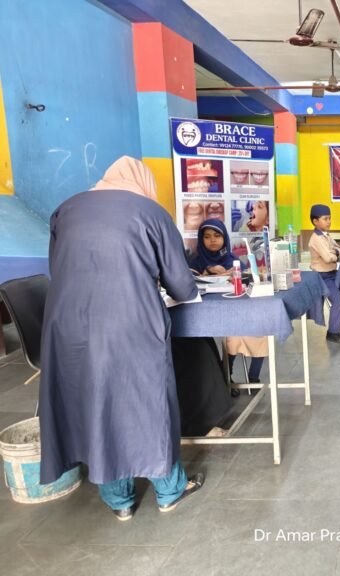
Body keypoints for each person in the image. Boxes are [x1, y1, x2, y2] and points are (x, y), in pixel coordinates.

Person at [40, 156, 205, 521]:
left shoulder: (64, 211)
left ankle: (119, 502)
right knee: (146, 399)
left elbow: (59, 268)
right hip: (130, 322)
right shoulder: (149, 212)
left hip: (69, 326)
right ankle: (169, 491)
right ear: (143, 183)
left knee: (94, 401)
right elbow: (181, 285)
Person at [187, 219, 267, 386]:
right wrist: (207, 273)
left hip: (233, 312)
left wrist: (233, 274)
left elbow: (246, 283)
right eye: (207, 237)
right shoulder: (195, 261)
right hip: (203, 314)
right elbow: (188, 283)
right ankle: (225, 379)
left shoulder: (232, 260)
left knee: (258, 331)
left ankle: (251, 377)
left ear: (225, 238)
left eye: (217, 235)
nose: (213, 240)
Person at [308, 204, 340, 343]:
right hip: (322, 276)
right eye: (325, 219)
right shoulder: (315, 239)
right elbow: (329, 258)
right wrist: (336, 253)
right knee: (337, 300)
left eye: (329, 218)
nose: (329, 221)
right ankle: (332, 332)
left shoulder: (327, 236)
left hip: (333, 273)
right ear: (315, 221)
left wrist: (336, 251)